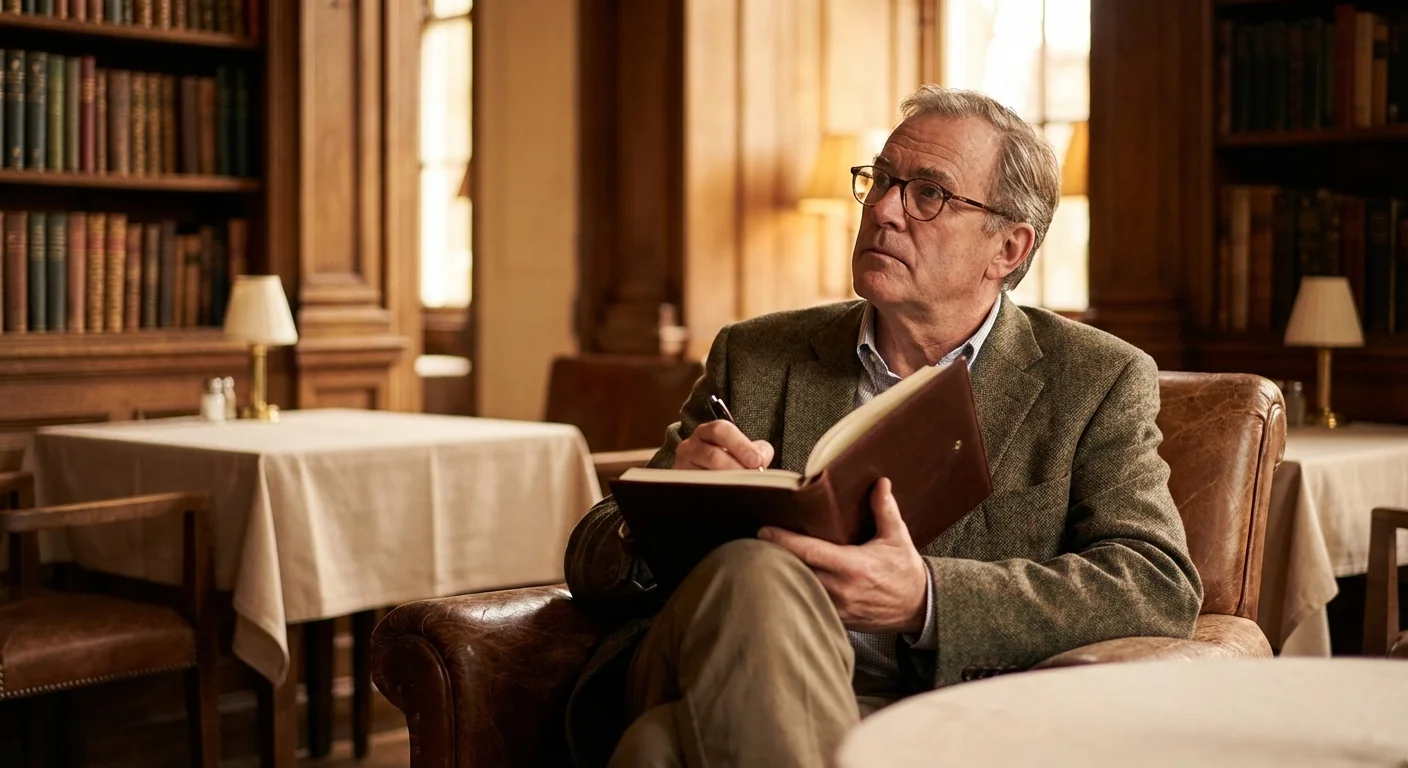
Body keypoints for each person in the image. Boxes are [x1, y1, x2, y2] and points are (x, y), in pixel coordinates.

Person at [561, 85, 1203, 768]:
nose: (886, 211)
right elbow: (592, 563)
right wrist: (659, 502)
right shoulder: (756, 355)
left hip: (940, 706)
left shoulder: (1095, 379)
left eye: (930, 194)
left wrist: (926, 597)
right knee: (757, 574)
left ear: (1009, 249)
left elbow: (1154, 582)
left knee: (654, 750)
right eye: (882, 181)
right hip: (709, 651)